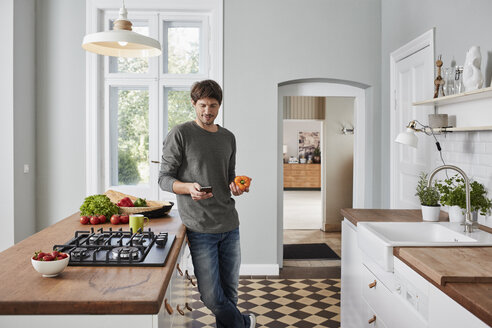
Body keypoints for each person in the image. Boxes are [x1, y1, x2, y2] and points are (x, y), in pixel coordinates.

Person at [158, 80, 255, 328]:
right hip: (200, 229)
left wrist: (236, 186)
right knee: (212, 296)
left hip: (230, 224)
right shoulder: (180, 134)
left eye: (213, 105)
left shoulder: (228, 138)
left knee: (230, 294)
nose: (207, 111)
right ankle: (245, 324)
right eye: (202, 105)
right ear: (193, 104)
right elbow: (164, 179)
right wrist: (188, 188)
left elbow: (228, 176)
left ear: (219, 105)